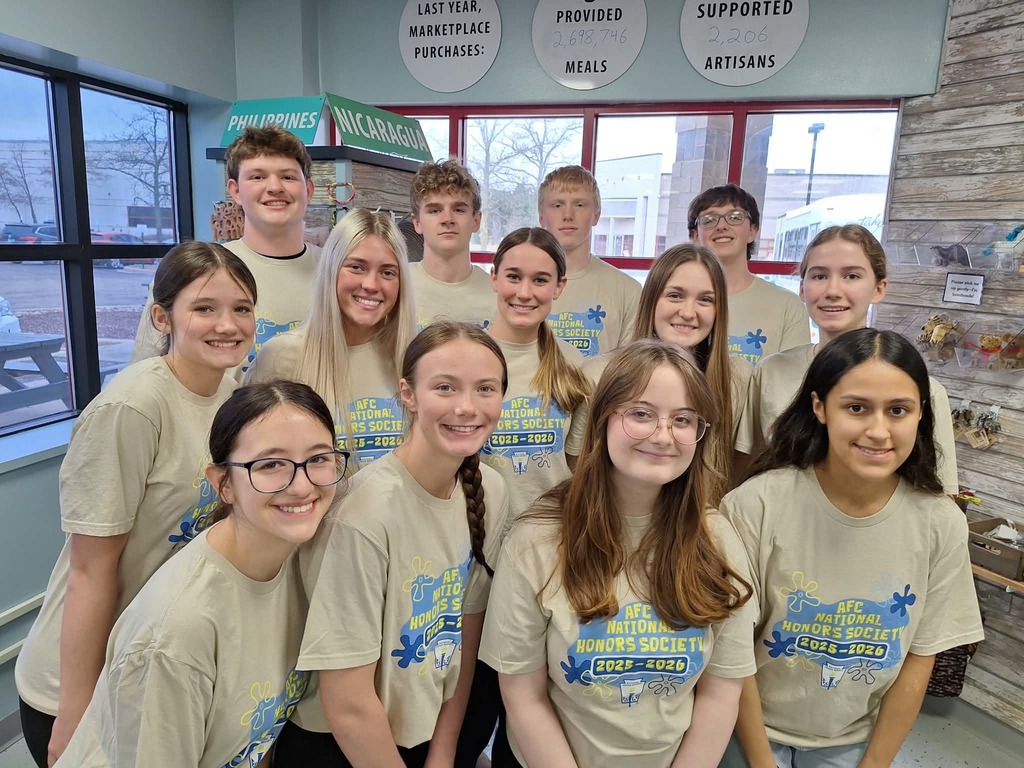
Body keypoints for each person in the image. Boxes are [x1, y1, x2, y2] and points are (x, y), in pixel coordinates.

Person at [16, 242, 258, 767]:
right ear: (161, 317)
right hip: (82, 678)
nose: (227, 324)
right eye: (204, 308)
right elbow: (89, 569)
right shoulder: (132, 407)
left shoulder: (231, 391)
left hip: (149, 663)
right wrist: (75, 711)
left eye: (241, 308)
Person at [480, 339, 757, 768]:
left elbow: (722, 692)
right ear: (602, 420)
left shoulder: (718, 539)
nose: (663, 435)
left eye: (683, 419)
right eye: (641, 414)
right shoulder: (536, 539)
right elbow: (523, 696)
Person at [721, 328, 984, 768]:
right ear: (820, 407)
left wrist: (874, 763)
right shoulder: (756, 504)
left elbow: (919, 662)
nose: (878, 431)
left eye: (898, 410)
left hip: (853, 739)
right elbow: (731, 651)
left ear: (922, 414)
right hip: (742, 728)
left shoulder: (940, 523)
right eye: (857, 407)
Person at [53, 381, 346, 767]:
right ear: (223, 484)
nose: (303, 484)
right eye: (271, 464)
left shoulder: (298, 560)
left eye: (319, 458)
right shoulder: (176, 634)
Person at [273, 321, 510, 768]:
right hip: (344, 746)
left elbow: (462, 637)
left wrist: (444, 753)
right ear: (408, 393)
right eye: (444, 387)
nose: (466, 407)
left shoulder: (490, 490)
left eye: (485, 388)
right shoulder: (363, 516)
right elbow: (347, 704)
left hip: (424, 735)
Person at [736, 224, 959, 494]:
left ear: (878, 288)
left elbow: (940, 494)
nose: (832, 290)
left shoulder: (920, 389)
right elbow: (749, 470)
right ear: (802, 289)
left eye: (851, 276)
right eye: (819, 276)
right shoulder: (772, 372)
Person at [131, 124, 320, 374]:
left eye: (288, 176)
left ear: (308, 190)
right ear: (235, 191)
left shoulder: (340, 272)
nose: (275, 187)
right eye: (258, 176)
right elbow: (146, 370)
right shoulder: (193, 271)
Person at [574, 243, 751, 503]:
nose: (688, 313)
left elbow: (739, 467)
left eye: (705, 299)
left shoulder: (738, 378)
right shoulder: (599, 374)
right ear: (652, 299)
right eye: (675, 295)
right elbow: (578, 463)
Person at [247, 208, 416, 471]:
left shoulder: (413, 359)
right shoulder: (281, 357)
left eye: (387, 272)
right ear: (331, 270)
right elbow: (254, 462)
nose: (371, 284)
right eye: (356, 267)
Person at [482, 226, 590, 519]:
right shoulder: (464, 355)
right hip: (478, 532)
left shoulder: (573, 361)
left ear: (559, 286)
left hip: (549, 530)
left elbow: (574, 464)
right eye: (513, 277)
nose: (524, 293)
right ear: (494, 278)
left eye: (540, 280)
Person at [688, 184, 810, 364]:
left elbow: (793, 383)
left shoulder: (787, 306)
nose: (721, 226)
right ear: (695, 236)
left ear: (753, 231)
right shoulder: (676, 303)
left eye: (735, 217)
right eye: (709, 219)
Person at [538, 165, 641, 357]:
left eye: (579, 205)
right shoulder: (518, 289)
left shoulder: (629, 292)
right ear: (542, 217)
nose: (568, 215)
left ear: (596, 215)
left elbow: (631, 374)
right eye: (557, 205)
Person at [408, 159, 494, 329]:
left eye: (458, 210)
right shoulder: (397, 286)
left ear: (476, 220)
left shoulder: (498, 294)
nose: (447, 219)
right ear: (417, 222)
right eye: (435, 210)